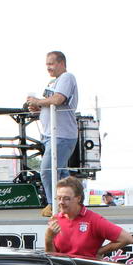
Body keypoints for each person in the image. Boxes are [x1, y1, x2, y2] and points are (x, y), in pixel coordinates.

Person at [27, 51, 79, 216]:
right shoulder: (53, 81)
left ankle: (53, 204)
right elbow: (51, 103)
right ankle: (74, 203)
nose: (48, 67)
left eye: (51, 63)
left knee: (48, 169)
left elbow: (58, 100)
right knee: (61, 173)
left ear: (61, 63)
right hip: (51, 135)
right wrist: (38, 107)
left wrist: (37, 102)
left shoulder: (67, 77)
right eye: (47, 64)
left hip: (62, 134)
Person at [44, 176, 133, 259]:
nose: (61, 202)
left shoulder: (93, 219)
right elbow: (52, 257)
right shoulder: (55, 219)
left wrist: (99, 252)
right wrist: (48, 239)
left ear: (78, 198)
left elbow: (127, 238)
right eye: (58, 198)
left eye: (66, 198)